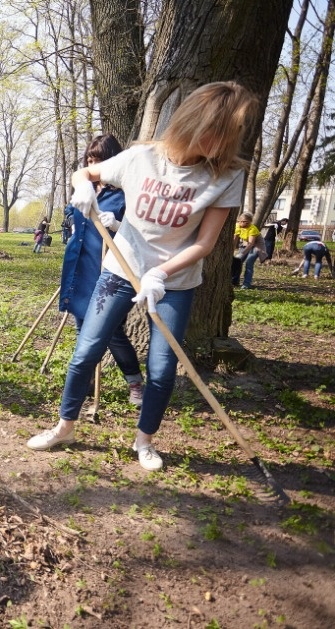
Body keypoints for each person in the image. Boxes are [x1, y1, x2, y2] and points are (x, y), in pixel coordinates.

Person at [26, 81, 258, 472]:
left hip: (174, 284)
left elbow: (204, 244)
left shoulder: (226, 176)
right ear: (195, 122)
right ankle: (64, 427)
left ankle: (144, 441)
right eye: (222, 131)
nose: (226, 143)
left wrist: (160, 274)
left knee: (163, 368)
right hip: (119, 270)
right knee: (86, 352)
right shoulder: (140, 159)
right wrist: (83, 186)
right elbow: (84, 172)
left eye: (233, 134)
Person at [59, 134, 144, 406]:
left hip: (109, 270)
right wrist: (72, 218)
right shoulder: (86, 189)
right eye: (90, 160)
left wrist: (117, 224)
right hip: (81, 266)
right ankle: (83, 384)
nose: (93, 165)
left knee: (112, 332)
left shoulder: (124, 195)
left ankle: (135, 383)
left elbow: (140, 233)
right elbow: (70, 214)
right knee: (82, 326)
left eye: (99, 160)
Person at [231, 212, 261, 289]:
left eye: (246, 222)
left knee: (249, 263)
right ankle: (234, 281)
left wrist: (242, 253)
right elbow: (235, 238)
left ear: (250, 222)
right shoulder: (238, 226)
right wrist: (232, 249)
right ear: (239, 221)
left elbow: (251, 244)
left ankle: (246, 284)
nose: (243, 223)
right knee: (237, 262)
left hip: (256, 247)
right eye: (241, 221)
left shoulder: (252, 229)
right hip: (244, 245)